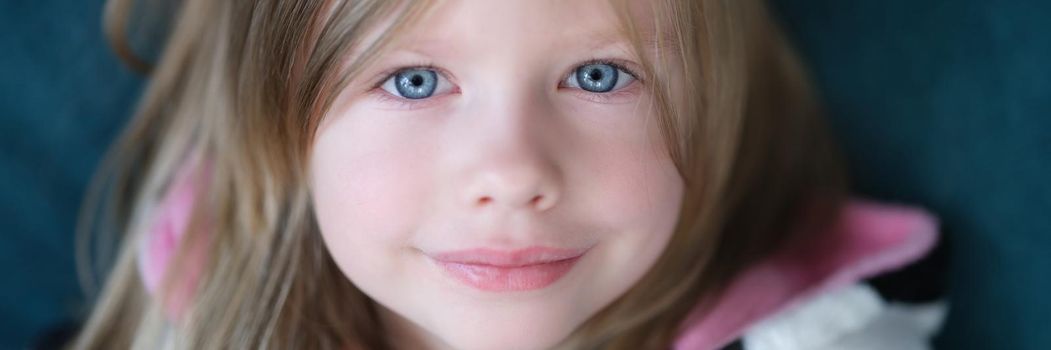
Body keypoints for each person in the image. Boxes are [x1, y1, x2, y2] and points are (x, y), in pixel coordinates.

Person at [71, 0, 947, 349]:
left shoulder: (818, 338)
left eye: (599, 76)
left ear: (715, 105)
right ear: (285, 130)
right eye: (413, 82)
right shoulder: (196, 307)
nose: (513, 173)